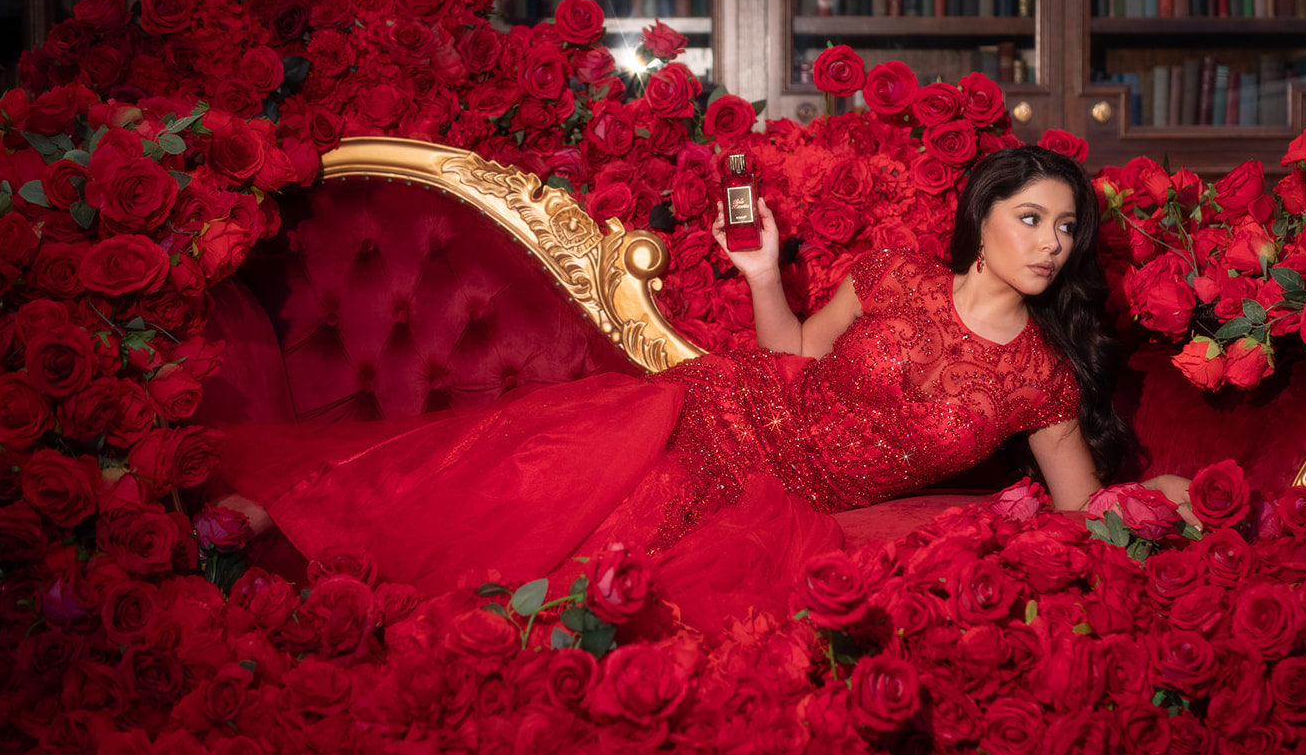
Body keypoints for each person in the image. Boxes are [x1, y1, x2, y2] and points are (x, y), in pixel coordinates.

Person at [212, 144, 1177, 633]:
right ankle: (302, 525)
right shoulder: (894, 273)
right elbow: (796, 350)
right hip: (724, 412)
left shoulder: (1042, 378)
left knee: (597, 593)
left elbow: (1078, 510)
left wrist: (1164, 502)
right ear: (984, 215)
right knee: (535, 471)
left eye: (1067, 229)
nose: (1053, 242)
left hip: (793, 503)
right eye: (1034, 217)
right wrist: (763, 274)